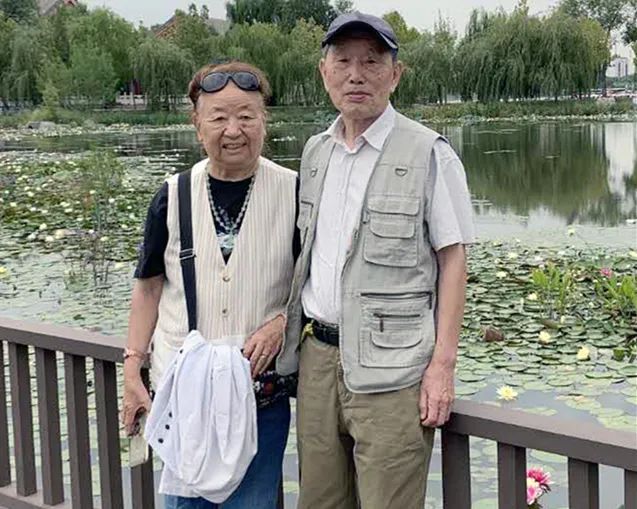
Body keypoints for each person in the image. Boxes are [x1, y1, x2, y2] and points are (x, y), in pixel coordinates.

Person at [277, 11, 475, 509]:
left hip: (393, 371)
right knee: (319, 501)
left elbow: (453, 261)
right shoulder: (316, 152)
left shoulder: (429, 153)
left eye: (371, 61)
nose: (356, 75)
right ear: (324, 73)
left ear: (395, 74)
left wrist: (442, 366)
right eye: (342, 62)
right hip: (318, 362)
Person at [120, 61, 298, 509]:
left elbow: (316, 286)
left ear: (264, 120)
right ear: (197, 125)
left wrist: (282, 322)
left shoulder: (296, 193)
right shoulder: (172, 194)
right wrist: (132, 368)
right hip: (185, 398)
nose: (233, 130)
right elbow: (148, 287)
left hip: (260, 399)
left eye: (246, 116)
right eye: (218, 117)